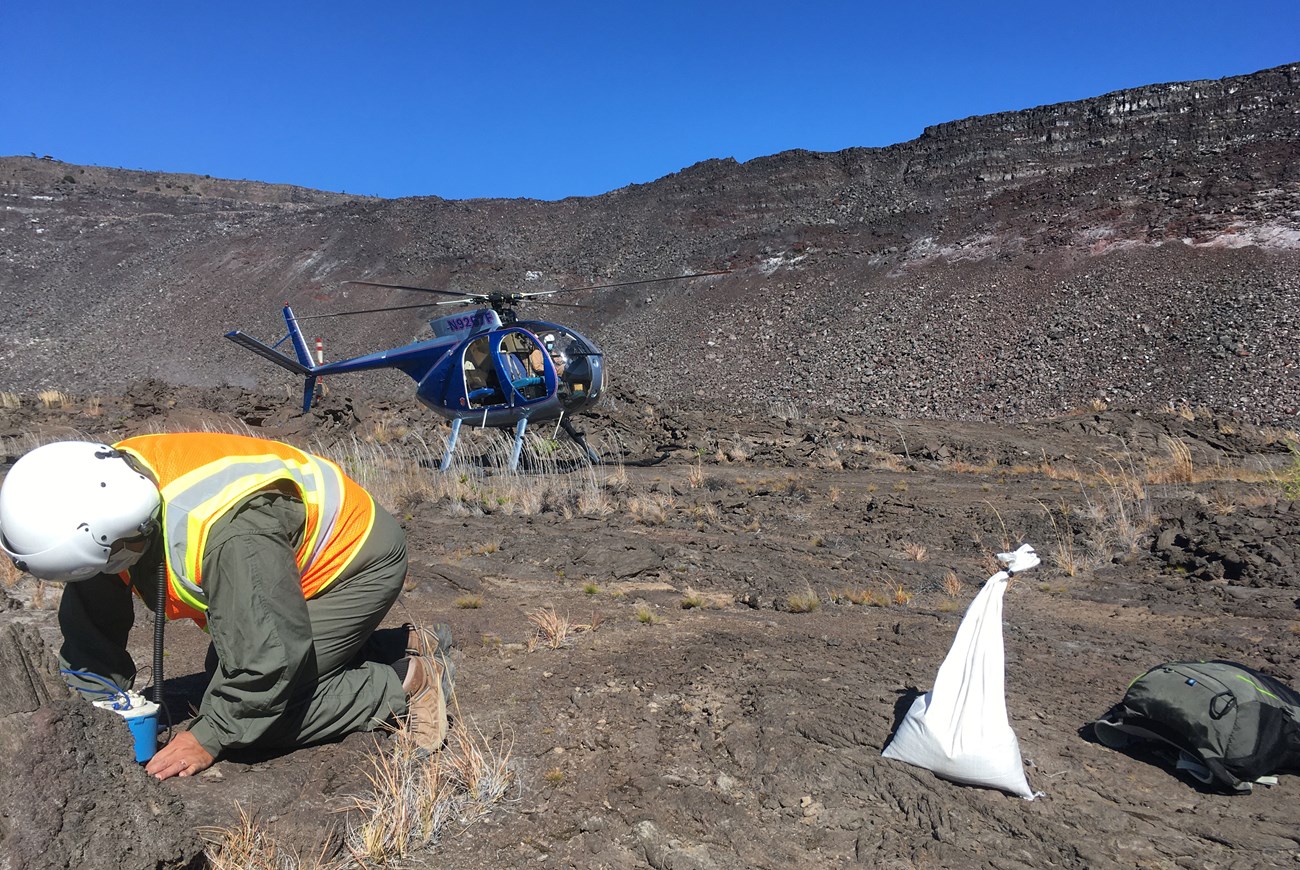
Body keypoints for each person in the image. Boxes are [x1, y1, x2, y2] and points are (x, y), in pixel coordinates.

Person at [0, 433, 454, 780]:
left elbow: (267, 666)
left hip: (354, 563)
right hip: (283, 569)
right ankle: (393, 642)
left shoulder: (228, 534)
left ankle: (404, 682)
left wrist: (210, 735)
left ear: (128, 534)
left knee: (256, 716)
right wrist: (98, 704)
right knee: (233, 670)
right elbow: (93, 616)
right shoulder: (100, 492)